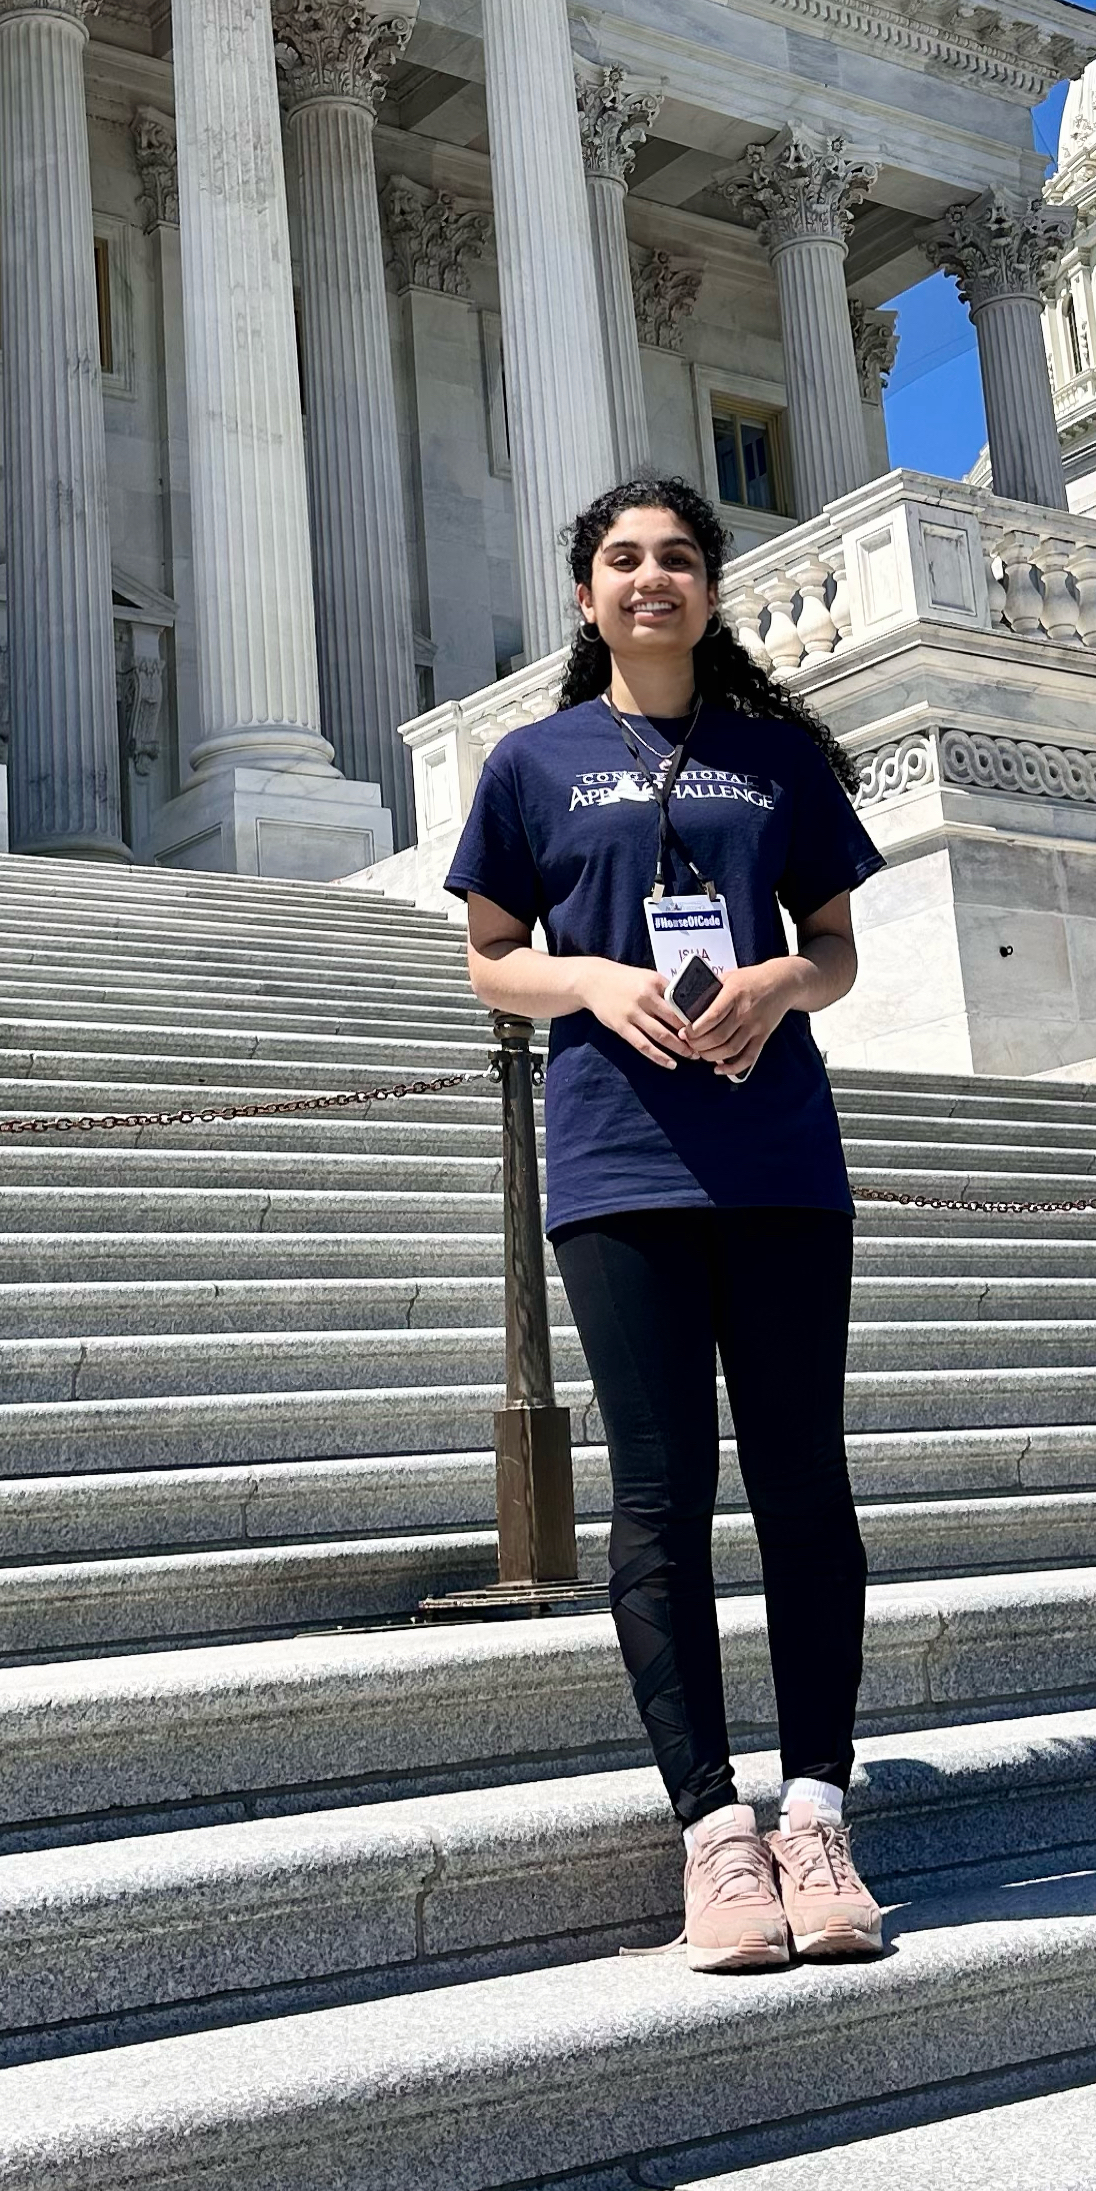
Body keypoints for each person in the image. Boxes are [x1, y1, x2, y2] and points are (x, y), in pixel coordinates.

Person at [448, 476, 888, 1976]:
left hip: (777, 1152)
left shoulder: (777, 757)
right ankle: (712, 1829)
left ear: (712, 588)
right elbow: (490, 959)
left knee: (801, 1481)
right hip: (620, 1160)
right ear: (586, 595)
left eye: (679, 559)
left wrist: (772, 985)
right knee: (656, 1497)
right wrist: (591, 982)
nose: (653, 580)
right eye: (624, 561)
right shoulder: (533, 761)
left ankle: (817, 1810)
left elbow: (831, 947)